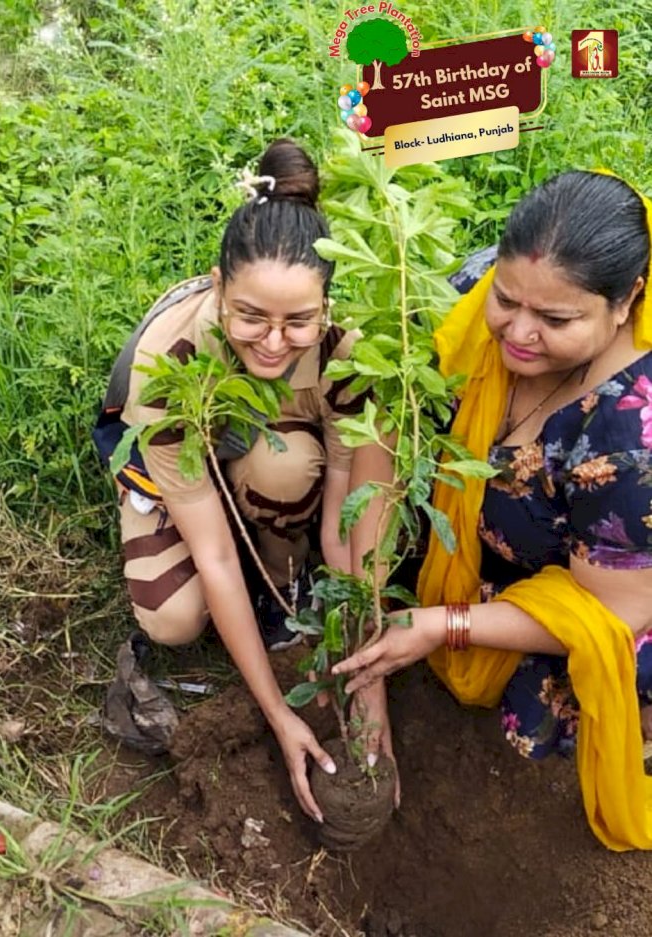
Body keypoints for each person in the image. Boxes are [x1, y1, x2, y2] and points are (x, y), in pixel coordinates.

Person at [335, 170, 652, 849]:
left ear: (624, 303)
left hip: (610, 584)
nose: (519, 332)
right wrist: (368, 644)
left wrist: (441, 623)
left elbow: (617, 611)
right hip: (485, 534)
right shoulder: (473, 300)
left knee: (557, 703)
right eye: (507, 299)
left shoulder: (628, 436)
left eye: (556, 320)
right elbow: (386, 438)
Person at [93, 139, 371, 824]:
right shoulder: (170, 365)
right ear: (218, 287)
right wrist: (279, 714)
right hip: (181, 463)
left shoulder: (346, 354)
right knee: (175, 618)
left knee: (286, 468)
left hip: (267, 450)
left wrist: (367, 690)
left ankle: (280, 581)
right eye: (251, 316)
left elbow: (348, 510)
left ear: (327, 305)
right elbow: (212, 552)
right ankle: (247, 589)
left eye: (298, 321)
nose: (274, 341)